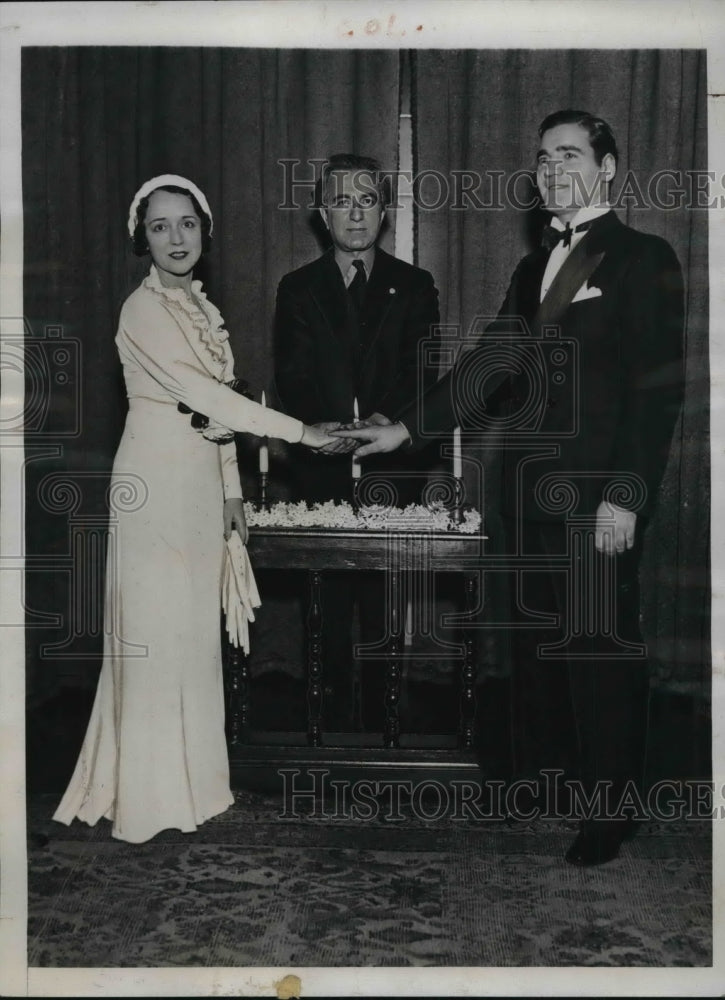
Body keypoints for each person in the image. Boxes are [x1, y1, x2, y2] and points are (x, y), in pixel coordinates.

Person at [336, 111, 685, 864]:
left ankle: (611, 812)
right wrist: (405, 430)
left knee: (599, 649)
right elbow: (490, 365)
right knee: (536, 650)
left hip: (596, 497)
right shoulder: (532, 270)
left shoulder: (641, 256)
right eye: (540, 157)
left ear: (608, 168)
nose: (551, 168)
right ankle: (551, 784)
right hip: (525, 494)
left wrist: (624, 496)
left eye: (568, 154)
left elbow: (657, 393)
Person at [53, 175, 333, 843]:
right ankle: (149, 798)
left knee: (191, 636)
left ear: (204, 231)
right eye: (159, 226)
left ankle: (197, 785)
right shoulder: (140, 310)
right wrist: (302, 432)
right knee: (154, 634)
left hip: (201, 488)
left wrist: (233, 491)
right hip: (152, 483)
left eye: (186, 224)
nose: (175, 238)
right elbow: (212, 398)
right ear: (141, 238)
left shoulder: (203, 310)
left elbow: (217, 414)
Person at [274, 153, 440, 729]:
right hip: (320, 470)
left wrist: (383, 419)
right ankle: (326, 727)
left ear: (385, 210)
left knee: (383, 606)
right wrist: (333, 433)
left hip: (393, 471)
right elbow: (291, 377)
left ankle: (384, 726)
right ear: (323, 213)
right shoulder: (297, 289)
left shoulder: (415, 286)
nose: (355, 213)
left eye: (367, 200)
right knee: (325, 605)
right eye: (342, 201)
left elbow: (423, 373)